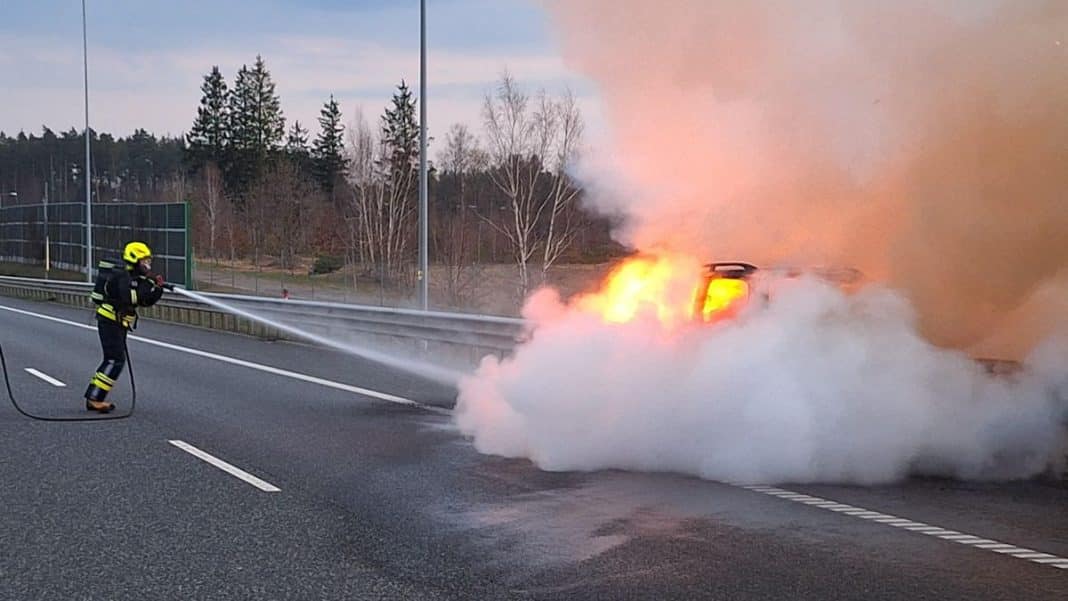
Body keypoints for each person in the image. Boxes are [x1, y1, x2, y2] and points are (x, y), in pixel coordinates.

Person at [84, 241, 169, 412]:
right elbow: (131, 298)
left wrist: (157, 289)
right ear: (134, 258)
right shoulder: (122, 277)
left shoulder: (134, 278)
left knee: (113, 359)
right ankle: (94, 398)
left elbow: (145, 301)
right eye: (144, 260)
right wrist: (148, 285)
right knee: (115, 360)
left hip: (117, 323)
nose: (147, 264)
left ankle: (94, 395)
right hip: (110, 321)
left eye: (148, 261)